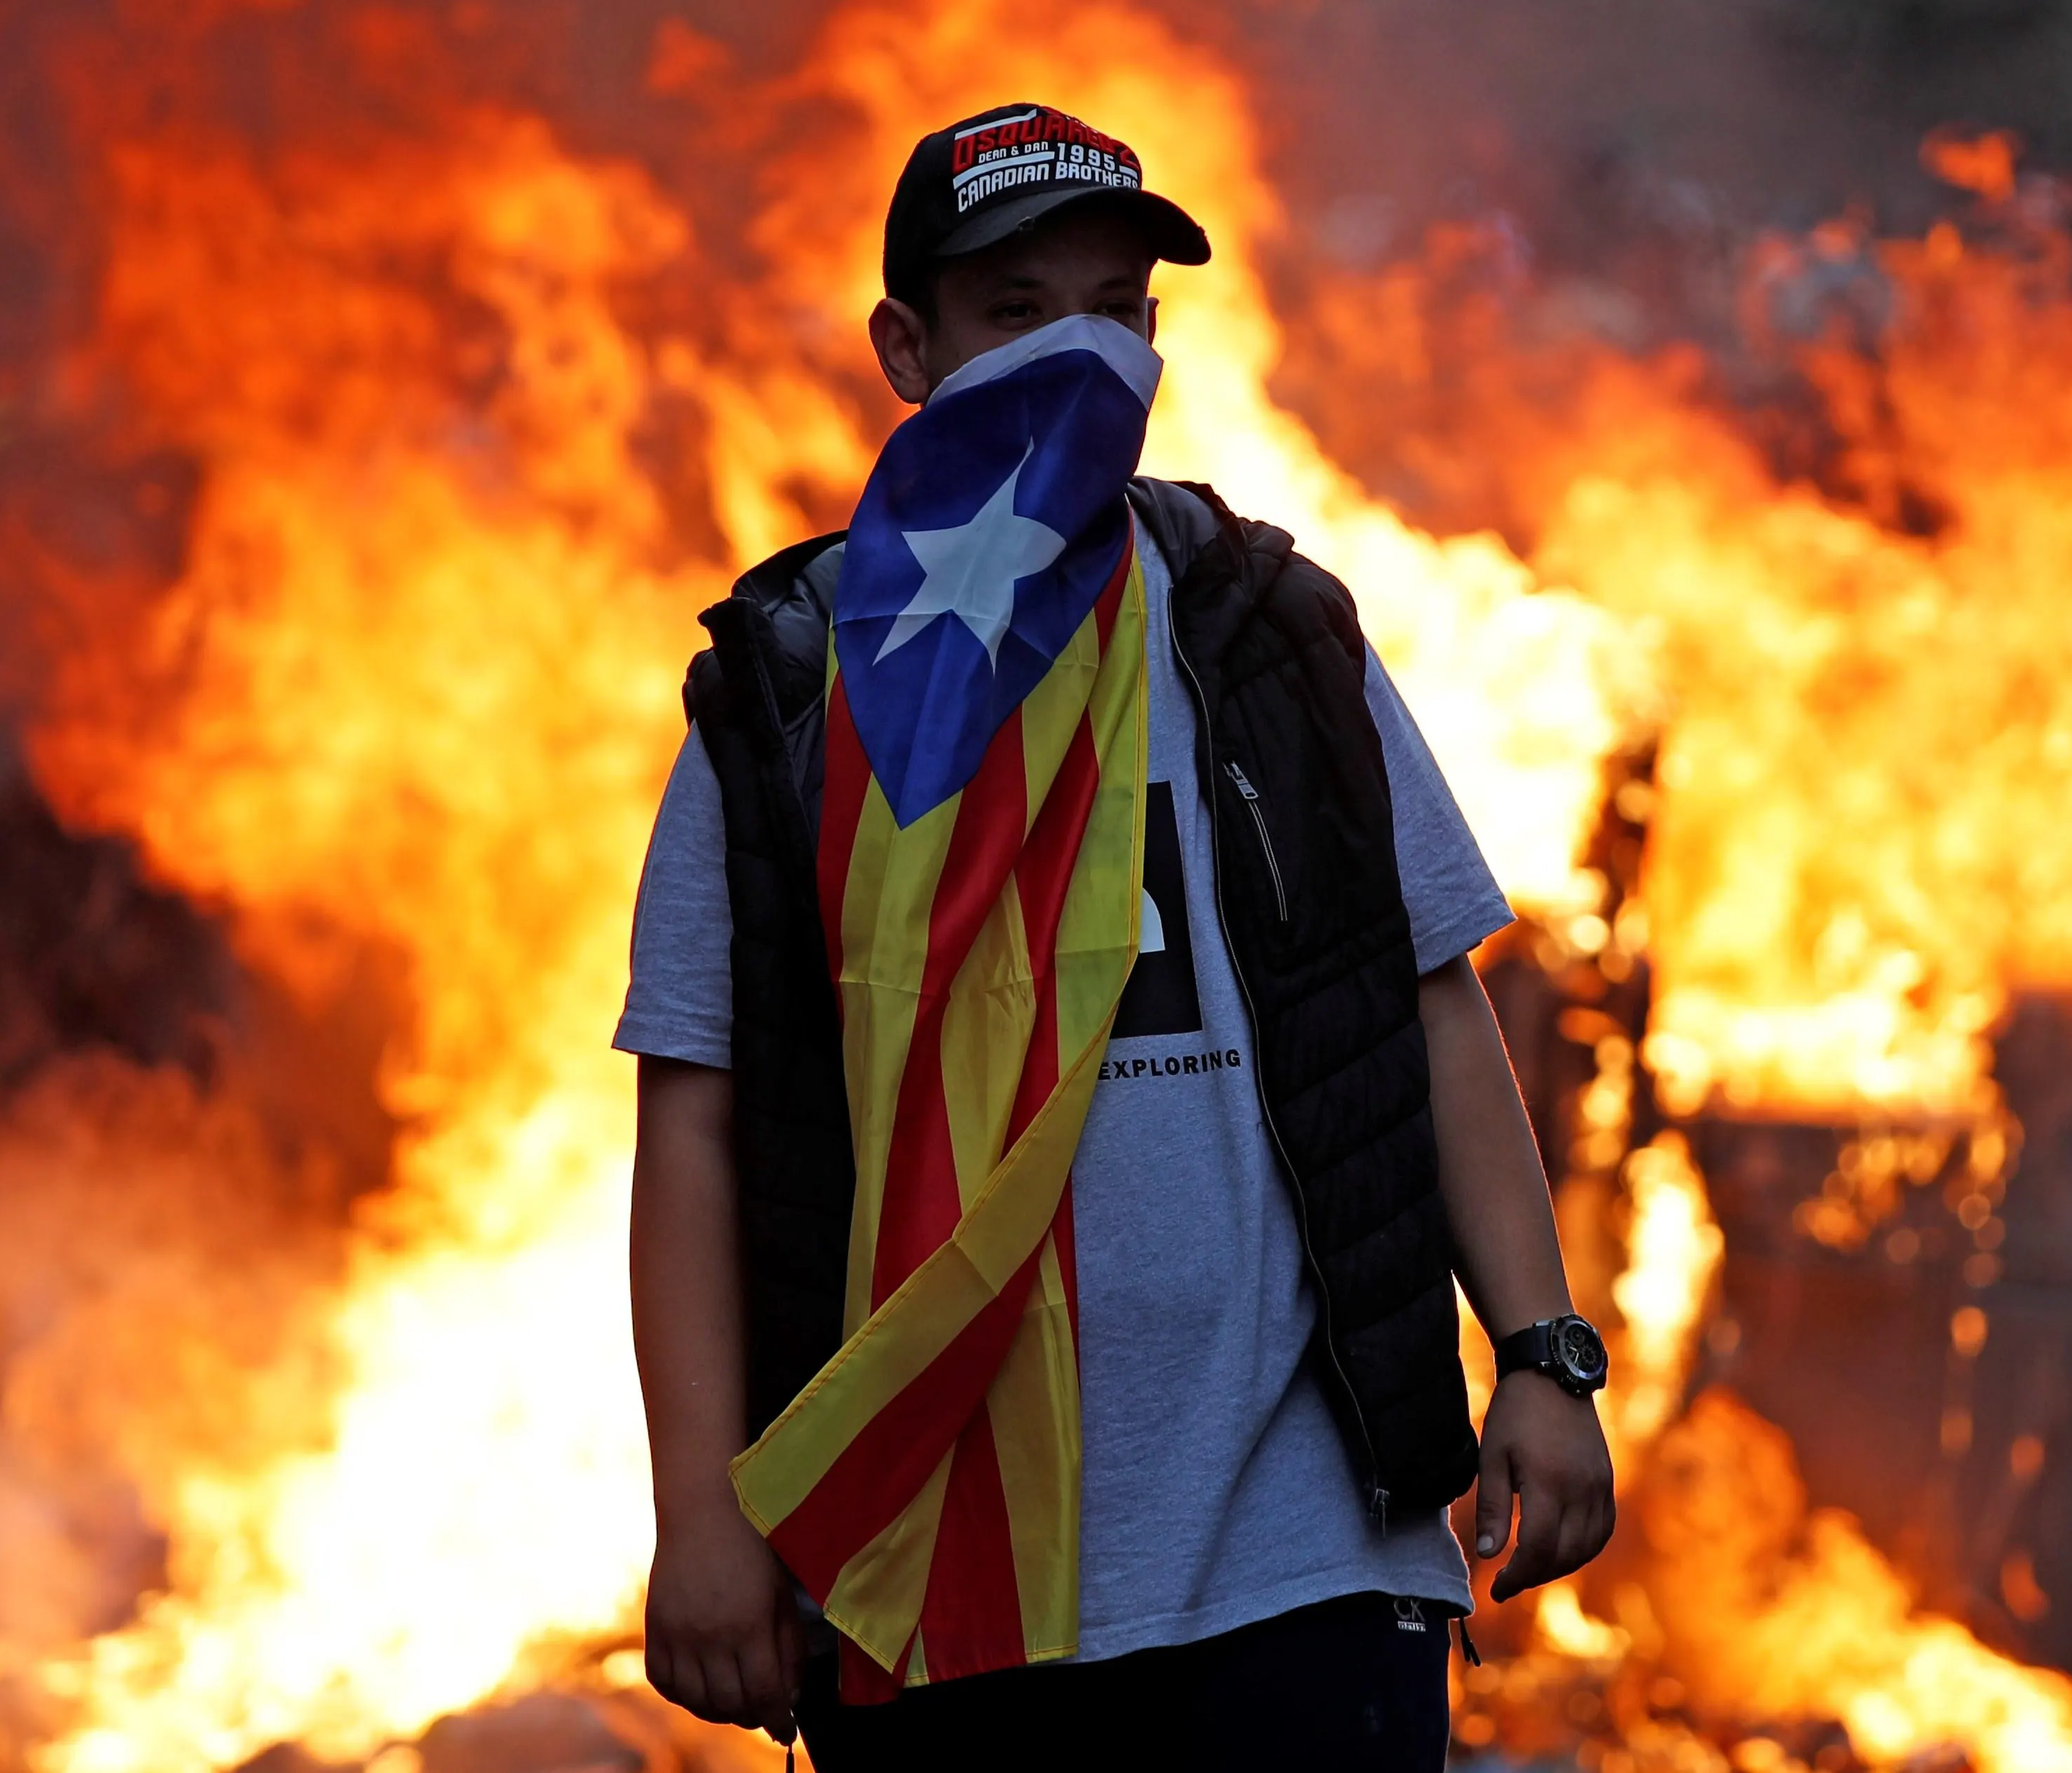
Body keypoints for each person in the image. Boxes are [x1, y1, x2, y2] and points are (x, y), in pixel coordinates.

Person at [620, 103, 1615, 1770]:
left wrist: (1543, 1352)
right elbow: (697, 1127)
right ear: (905, 348)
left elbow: (1431, 1004)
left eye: (1113, 313)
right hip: (938, 1567)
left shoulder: (1265, 631)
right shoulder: (789, 690)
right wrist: (704, 1519)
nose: (1073, 354)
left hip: (1304, 1558)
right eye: (1015, 313)